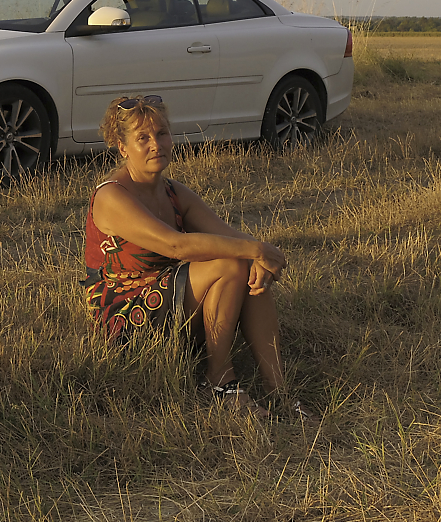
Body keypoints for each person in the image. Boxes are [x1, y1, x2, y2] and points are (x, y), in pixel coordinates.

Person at [82, 95, 312, 420]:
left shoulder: (174, 192)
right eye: (143, 138)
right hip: (129, 316)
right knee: (233, 262)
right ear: (122, 147)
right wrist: (254, 250)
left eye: (162, 133)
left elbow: (229, 236)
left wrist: (262, 255)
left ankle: (280, 392)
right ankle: (219, 383)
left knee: (244, 265)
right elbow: (176, 246)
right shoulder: (111, 195)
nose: (155, 145)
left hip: (171, 300)